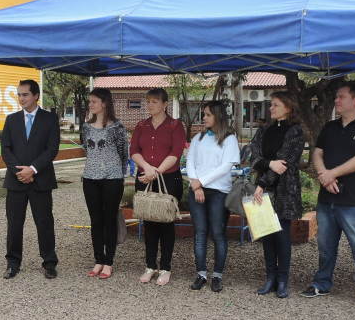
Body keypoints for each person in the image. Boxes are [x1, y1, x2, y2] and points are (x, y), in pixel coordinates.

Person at [300, 81, 355, 311]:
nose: (336, 101)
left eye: (341, 97)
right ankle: (322, 284)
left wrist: (331, 175)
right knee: (326, 246)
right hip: (327, 200)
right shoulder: (329, 128)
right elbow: (317, 153)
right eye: (336, 97)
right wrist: (323, 175)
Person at [1, 79, 60, 280]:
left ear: (36, 96)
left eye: (25, 94)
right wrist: (20, 172)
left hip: (41, 180)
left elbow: (52, 149)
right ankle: (12, 263)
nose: (21, 98)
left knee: (44, 223)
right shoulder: (11, 120)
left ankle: (49, 262)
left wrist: (32, 170)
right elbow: (6, 149)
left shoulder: (50, 119)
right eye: (18, 95)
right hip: (15, 181)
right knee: (14, 224)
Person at [249, 91, 305, 298]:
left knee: (282, 236)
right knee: (267, 235)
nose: (271, 108)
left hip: (284, 191)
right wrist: (268, 164)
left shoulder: (296, 132)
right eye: (271, 105)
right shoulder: (264, 131)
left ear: (288, 108)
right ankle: (270, 278)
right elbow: (253, 156)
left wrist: (263, 182)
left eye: (275, 105)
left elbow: (285, 162)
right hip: (263, 191)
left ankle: (283, 280)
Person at [130, 88, 187, 286]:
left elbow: (177, 151)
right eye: (148, 101)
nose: (150, 105)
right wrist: (147, 168)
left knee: (165, 223)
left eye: (155, 101)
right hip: (145, 177)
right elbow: (134, 150)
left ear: (165, 104)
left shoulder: (175, 125)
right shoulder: (141, 125)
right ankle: (150, 265)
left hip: (169, 179)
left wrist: (157, 171)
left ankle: (165, 267)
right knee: (149, 223)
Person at [185, 101, 240, 293]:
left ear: (218, 115)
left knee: (218, 234)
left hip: (218, 192)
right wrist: (195, 183)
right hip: (196, 190)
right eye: (204, 114)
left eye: (208, 114)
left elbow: (226, 167)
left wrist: (201, 182)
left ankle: (217, 275)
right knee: (200, 234)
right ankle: (201, 274)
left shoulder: (229, 139)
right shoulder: (198, 137)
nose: (204, 118)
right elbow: (189, 161)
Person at [81, 88, 128, 279]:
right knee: (96, 220)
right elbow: (86, 148)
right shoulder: (85, 127)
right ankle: (98, 259)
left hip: (112, 179)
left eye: (94, 101)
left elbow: (124, 153)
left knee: (109, 220)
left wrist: (118, 173)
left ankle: (109, 261)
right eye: (89, 101)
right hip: (90, 178)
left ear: (104, 103)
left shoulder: (117, 127)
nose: (90, 105)